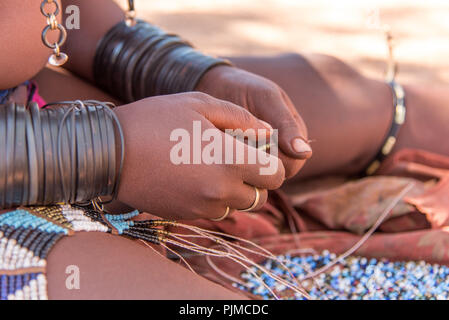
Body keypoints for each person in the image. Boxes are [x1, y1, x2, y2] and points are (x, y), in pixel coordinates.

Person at [2, 0, 449, 299]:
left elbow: (74, 16)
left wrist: (185, 74)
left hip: (36, 101)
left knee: (338, 95)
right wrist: (105, 151)